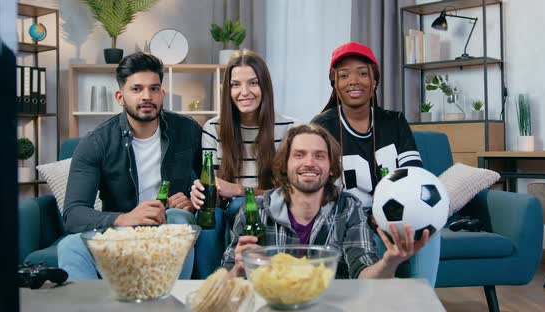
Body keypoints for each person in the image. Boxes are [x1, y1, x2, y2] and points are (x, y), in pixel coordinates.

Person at [58, 52, 202, 279]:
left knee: (179, 220)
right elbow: (74, 214)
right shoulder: (96, 142)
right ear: (120, 96)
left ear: (162, 94)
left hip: (167, 227)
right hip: (120, 233)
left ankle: (167, 304)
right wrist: (124, 218)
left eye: (154, 88)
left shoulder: (187, 130)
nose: (147, 96)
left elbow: (212, 184)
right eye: (136, 89)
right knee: (69, 246)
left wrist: (194, 202)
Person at [222, 124, 430, 279]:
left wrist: (389, 262)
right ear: (285, 165)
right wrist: (239, 268)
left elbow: (364, 274)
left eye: (319, 156)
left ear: (331, 167)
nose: (309, 163)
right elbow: (225, 280)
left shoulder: (349, 208)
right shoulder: (256, 210)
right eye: (299, 155)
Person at [310, 41, 441, 285]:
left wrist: (386, 215)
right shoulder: (321, 126)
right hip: (346, 217)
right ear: (335, 85)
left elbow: (414, 176)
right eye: (344, 75)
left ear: (374, 82)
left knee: (427, 234)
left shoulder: (394, 122)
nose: (354, 81)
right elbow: (316, 189)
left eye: (362, 73)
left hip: (396, 214)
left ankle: (423, 301)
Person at [189, 50, 298, 277]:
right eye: (236, 85)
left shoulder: (289, 128)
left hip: (267, 210)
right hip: (224, 210)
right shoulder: (213, 128)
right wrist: (202, 193)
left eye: (253, 83)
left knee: (244, 206)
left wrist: (240, 191)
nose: (244, 92)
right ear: (227, 91)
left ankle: (249, 279)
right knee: (209, 215)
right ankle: (212, 287)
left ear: (265, 87)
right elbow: (215, 188)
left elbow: (293, 193)